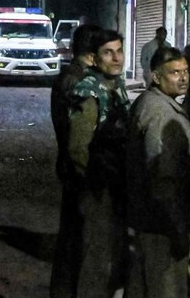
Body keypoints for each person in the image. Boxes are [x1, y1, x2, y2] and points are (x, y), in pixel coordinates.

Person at [53, 28, 130, 298]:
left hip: (113, 187)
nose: (117, 58)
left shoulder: (115, 86)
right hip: (98, 190)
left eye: (119, 51)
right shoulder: (89, 90)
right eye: (108, 53)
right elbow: (78, 149)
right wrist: (97, 186)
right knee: (95, 263)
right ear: (95, 59)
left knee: (111, 258)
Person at [126, 47, 190, 298]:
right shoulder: (160, 113)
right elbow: (163, 178)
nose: (183, 78)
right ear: (157, 77)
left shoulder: (156, 104)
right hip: (161, 225)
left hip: (151, 221)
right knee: (166, 288)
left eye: (186, 71)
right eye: (174, 73)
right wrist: (177, 229)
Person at [49, 23, 102, 298]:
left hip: (73, 169)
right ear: (93, 54)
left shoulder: (71, 77)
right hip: (80, 173)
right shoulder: (79, 83)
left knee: (73, 240)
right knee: (77, 243)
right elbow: (78, 143)